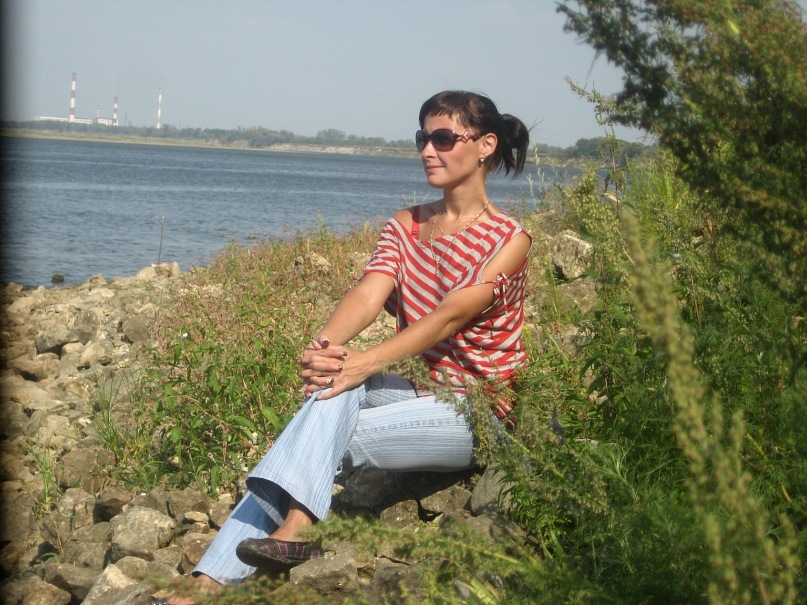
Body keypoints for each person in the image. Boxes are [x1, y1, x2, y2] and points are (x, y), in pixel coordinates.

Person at [163, 90, 531, 604]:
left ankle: (224, 573)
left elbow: (451, 315)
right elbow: (367, 294)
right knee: (330, 386)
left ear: (485, 145)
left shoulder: (509, 239)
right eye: (423, 138)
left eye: (444, 138)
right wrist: (325, 347)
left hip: (480, 410)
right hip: (419, 393)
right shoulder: (405, 225)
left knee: (319, 425)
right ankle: (244, 561)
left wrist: (366, 362)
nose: (428, 150)